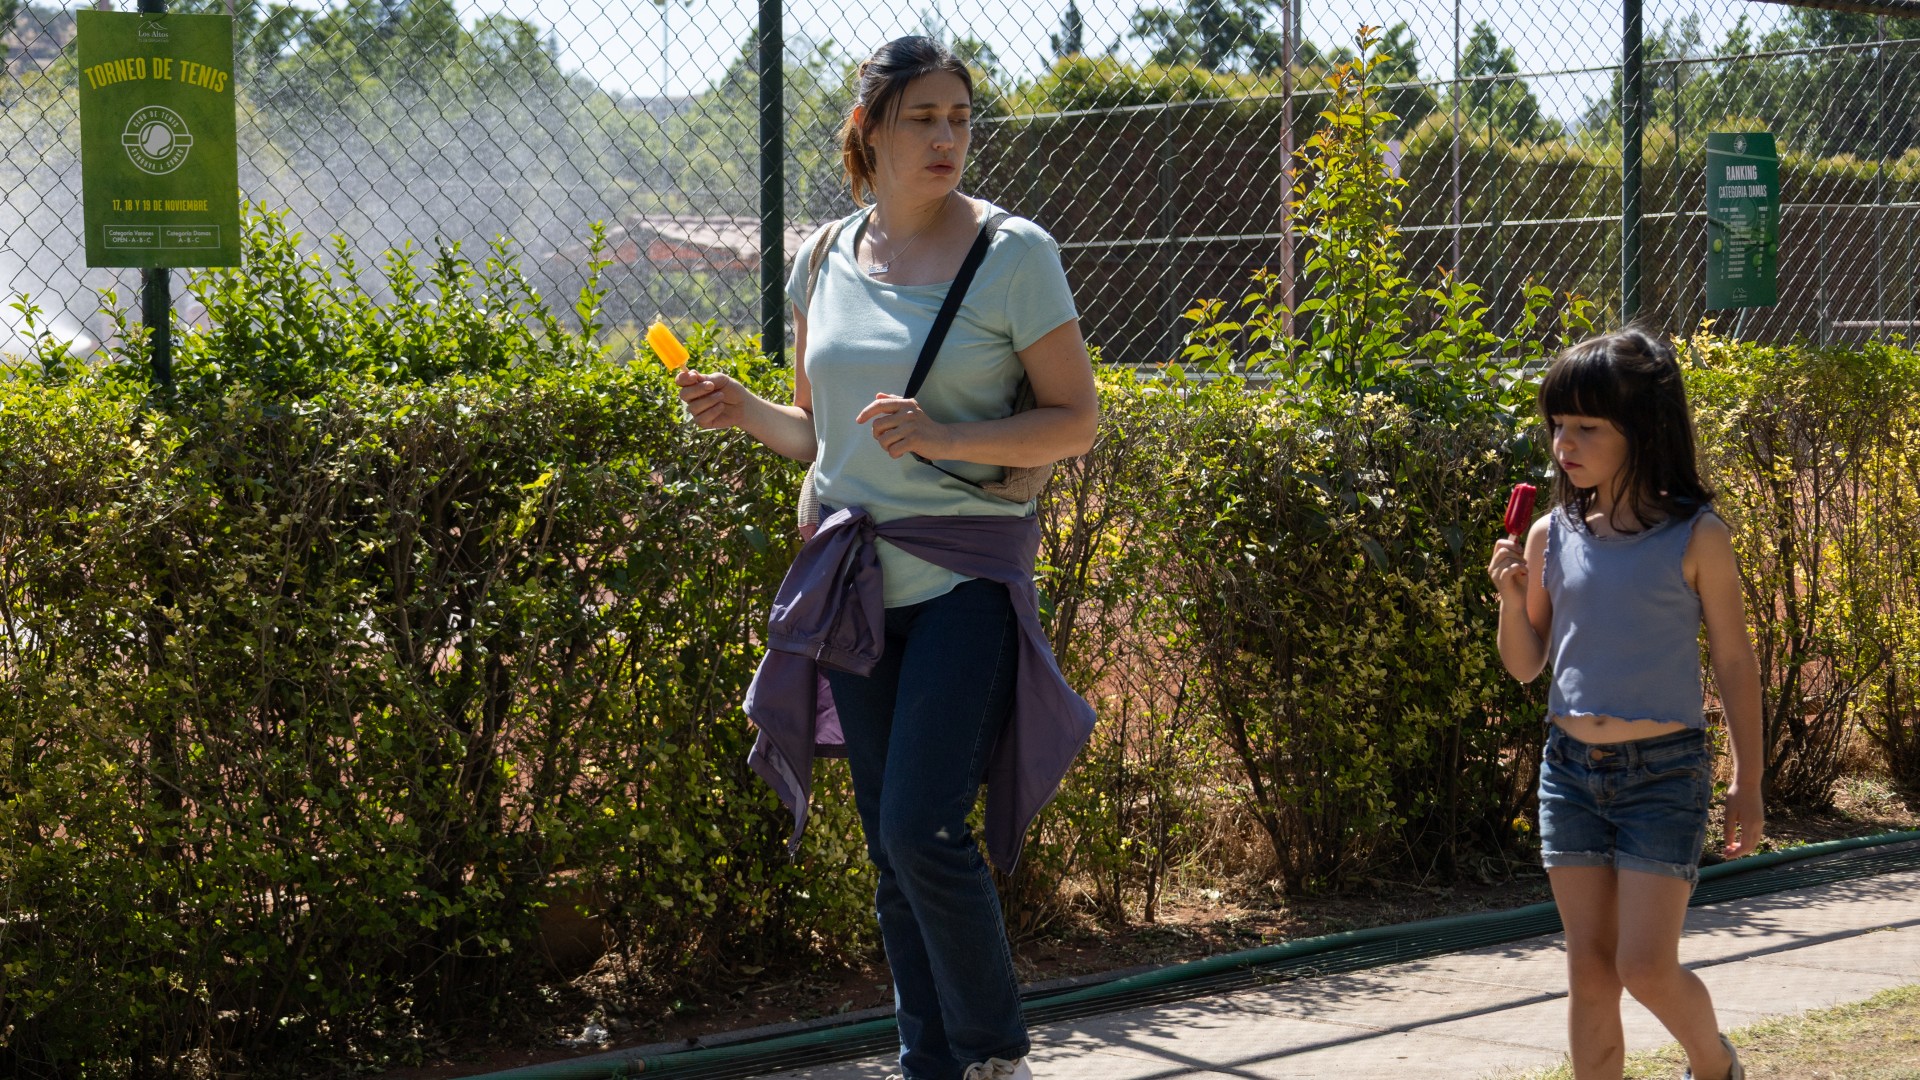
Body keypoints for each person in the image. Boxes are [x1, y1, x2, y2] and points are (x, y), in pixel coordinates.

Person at [674, 35, 1099, 1080]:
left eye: (960, 117)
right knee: (888, 846)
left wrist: (944, 434)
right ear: (868, 130)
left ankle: (994, 1056)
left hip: (963, 579)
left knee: (920, 828)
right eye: (923, 118)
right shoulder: (822, 257)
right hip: (853, 587)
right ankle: (930, 1064)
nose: (948, 137)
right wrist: (744, 410)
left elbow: (1075, 422)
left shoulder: (1014, 254)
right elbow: (821, 435)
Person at [1487, 329, 1764, 1080]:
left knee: (1643, 966)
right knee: (1589, 969)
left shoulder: (1697, 535)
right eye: (1557, 425)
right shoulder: (1549, 535)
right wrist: (1510, 598)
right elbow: (1525, 666)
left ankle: (1714, 1065)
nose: (1564, 445)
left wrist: (1747, 780)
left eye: (1587, 427)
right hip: (1569, 772)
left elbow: (1734, 661)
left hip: (1664, 775)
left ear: (1642, 429)